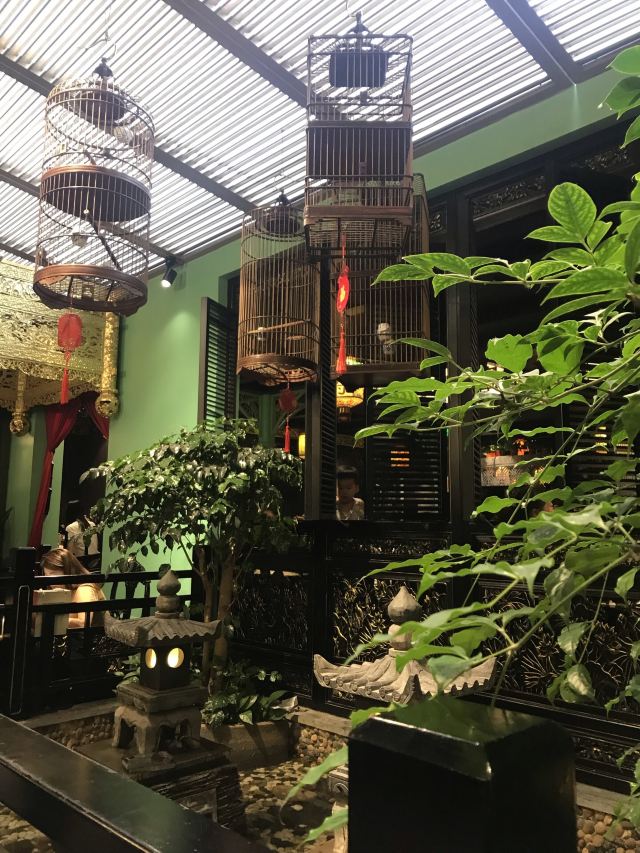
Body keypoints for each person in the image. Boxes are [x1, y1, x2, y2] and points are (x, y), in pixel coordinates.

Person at [40, 547, 105, 628]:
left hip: (93, 635)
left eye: (53, 574)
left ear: (68, 570)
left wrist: (50, 618)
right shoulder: (63, 590)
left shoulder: (84, 589)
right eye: (47, 575)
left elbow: (83, 624)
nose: (49, 580)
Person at [65, 500, 100, 568]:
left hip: (81, 564)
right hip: (95, 563)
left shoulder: (71, 527)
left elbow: (69, 552)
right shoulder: (92, 524)